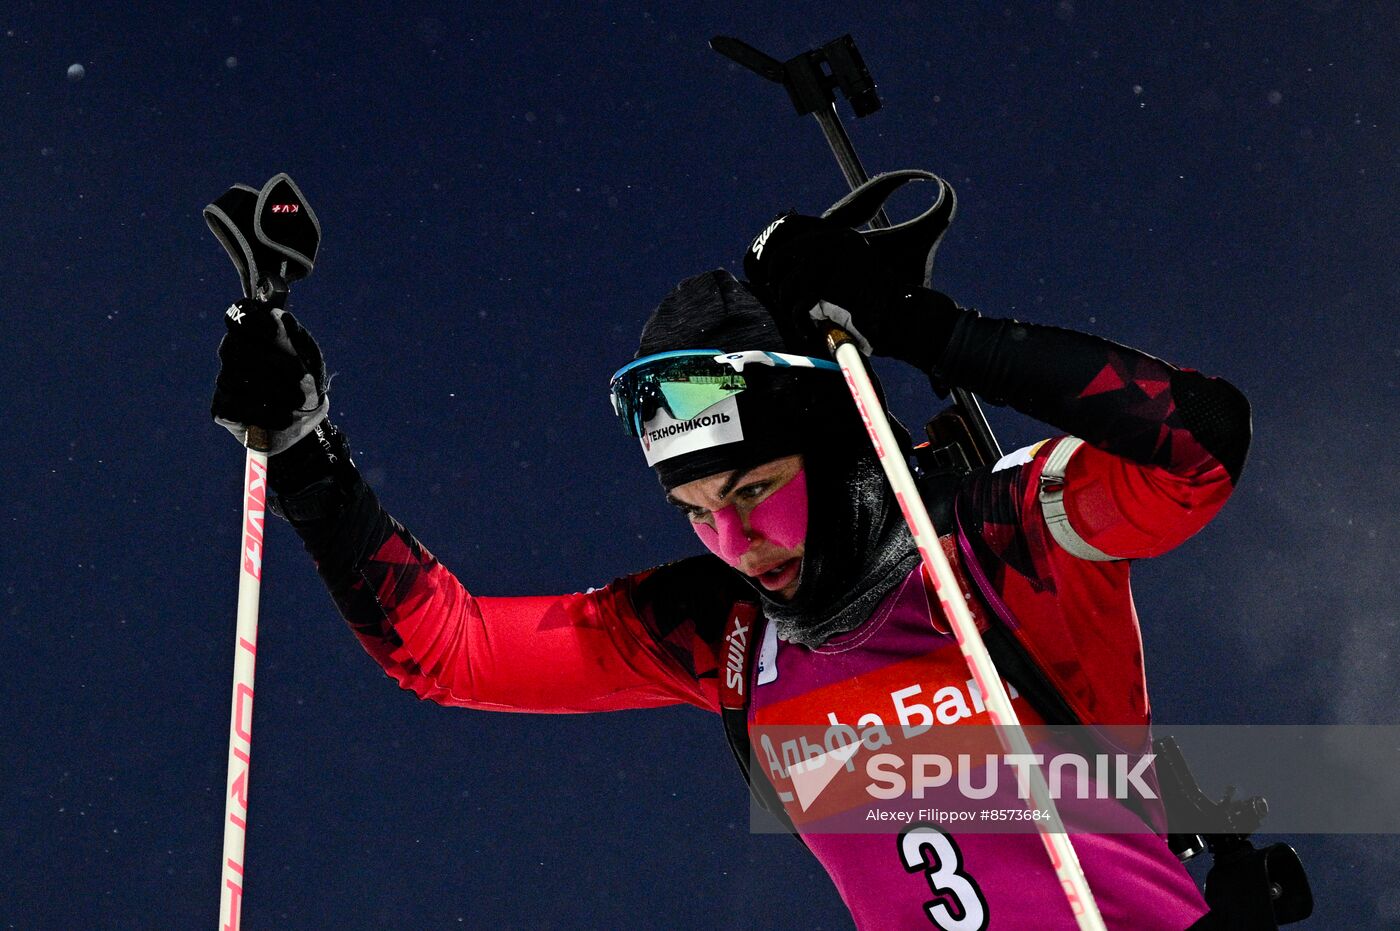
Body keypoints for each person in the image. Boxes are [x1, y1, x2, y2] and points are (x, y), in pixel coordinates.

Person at [211, 208, 1252, 930]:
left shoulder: (1002, 536)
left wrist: (919, 328)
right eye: (694, 510)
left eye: (755, 490)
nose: (733, 540)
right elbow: (449, 650)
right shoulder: (724, 635)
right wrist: (306, 455)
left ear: (842, 449)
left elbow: (1200, 444)